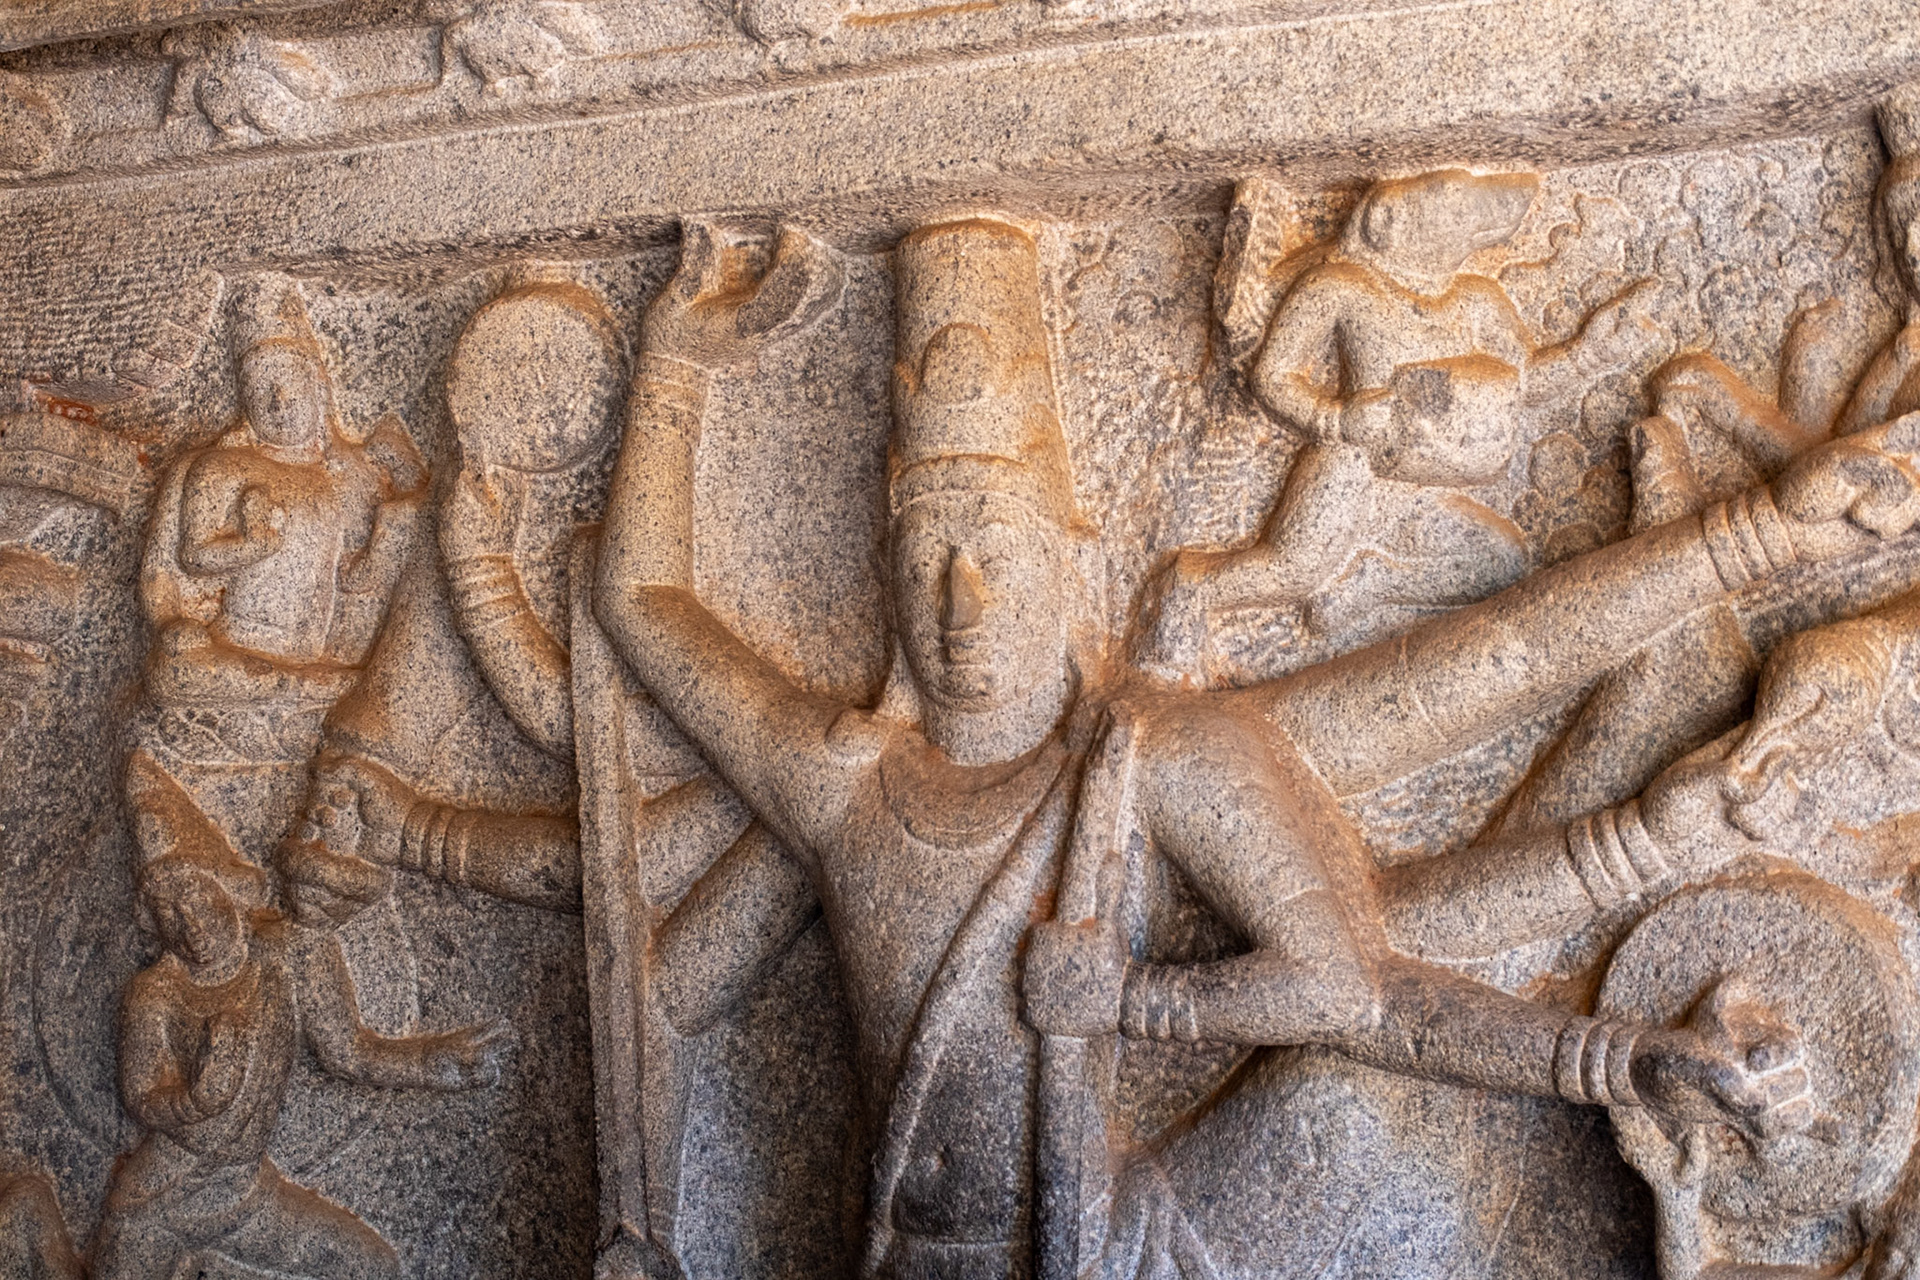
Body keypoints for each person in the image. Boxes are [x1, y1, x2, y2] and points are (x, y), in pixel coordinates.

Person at [590, 215, 1920, 1277]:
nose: (962, 603)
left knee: (1346, 1120)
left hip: (1099, 1248)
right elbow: (641, 610)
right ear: (881, 567)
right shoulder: (844, 784)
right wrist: (675, 371)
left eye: (997, 550)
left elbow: (1374, 977)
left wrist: (1616, 1059)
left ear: (1069, 557)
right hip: (894, 1250)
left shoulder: (1145, 762)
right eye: (923, 552)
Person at [1140, 168, 1665, 686]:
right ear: (1388, 222)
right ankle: (1185, 596)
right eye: (1451, 208)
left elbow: (1525, 382)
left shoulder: (1477, 300)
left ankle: (1367, 585)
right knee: (1290, 570)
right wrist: (1337, 418)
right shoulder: (1340, 286)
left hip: (1427, 483)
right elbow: (1273, 376)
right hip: (1354, 464)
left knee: (1502, 561)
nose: (1469, 224)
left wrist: (1591, 353)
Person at [130, 273, 426, 899]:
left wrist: (402, 511)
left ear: (320, 384)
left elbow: (360, 584)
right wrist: (250, 547)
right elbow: (188, 559)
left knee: (388, 680)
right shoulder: (222, 466)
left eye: (292, 381)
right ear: (243, 397)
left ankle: (314, 690)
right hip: (238, 648)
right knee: (176, 671)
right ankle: (306, 692)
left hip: (312, 653)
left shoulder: (342, 481)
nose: (280, 399)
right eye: (261, 388)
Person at [90, 848, 505, 1279]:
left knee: (372, 1268)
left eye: (197, 898)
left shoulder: (287, 957)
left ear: (228, 891)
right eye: (168, 913)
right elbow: (142, 1097)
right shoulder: (156, 992)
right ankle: (25, 1225)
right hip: (159, 1203)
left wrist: (432, 1061)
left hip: (244, 1193)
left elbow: (348, 1050)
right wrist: (195, 1101)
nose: (190, 924)